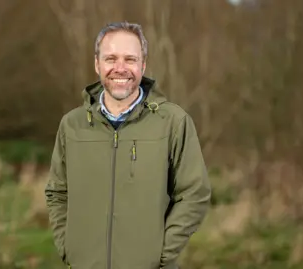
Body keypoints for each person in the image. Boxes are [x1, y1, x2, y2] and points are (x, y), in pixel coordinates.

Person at [44, 21, 211, 269]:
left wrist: (161, 255)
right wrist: (68, 248)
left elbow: (194, 194)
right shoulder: (72, 125)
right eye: (111, 58)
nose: (120, 68)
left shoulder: (173, 122)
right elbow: (57, 192)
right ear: (97, 63)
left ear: (143, 65)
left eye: (130, 59)